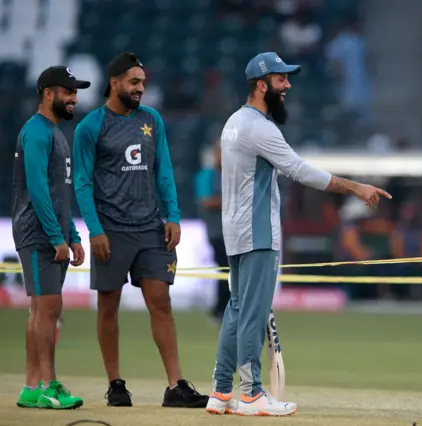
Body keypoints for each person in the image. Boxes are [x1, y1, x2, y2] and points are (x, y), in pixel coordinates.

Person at [205, 51, 391, 416]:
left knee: (237, 309)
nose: (288, 85)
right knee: (253, 314)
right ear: (262, 85)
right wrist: (356, 187)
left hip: (236, 229)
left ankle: (221, 390)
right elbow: (301, 171)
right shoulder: (260, 127)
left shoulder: (233, 123)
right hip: (258, 232)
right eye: (281, 79)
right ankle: (252, 394)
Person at [72, 52, 208, 408]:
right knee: (108, 307)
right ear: (114, 82)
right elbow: (82, 184)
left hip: (151, 229)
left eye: (143, 83)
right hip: (111, 231)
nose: (140, 89)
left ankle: (175, 386)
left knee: (161, 303)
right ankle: (115, 384)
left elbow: (163, 170)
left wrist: (174, 215)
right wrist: (95, 230)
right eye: (134, 82)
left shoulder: (152, 120)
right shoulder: (90, 127)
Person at [12, 66, 91, 409]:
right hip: (36, 232)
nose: (74, 98)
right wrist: (57, 236)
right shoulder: (37, 132)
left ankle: (32, 387)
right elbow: (38, 190)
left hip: (51, 232)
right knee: (48, 308)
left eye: (75, 92)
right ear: (48, 94)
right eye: (68, 92)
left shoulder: (56, 133)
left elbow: (61, 193)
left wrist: (72, 235)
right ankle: (48, 385)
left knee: (40, 310)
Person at [194, 139, 230, 323]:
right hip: (218, 232)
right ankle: (220, 310)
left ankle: (224, 309)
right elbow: (206, 200)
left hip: (236, 233)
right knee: (226, 269)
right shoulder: (206, 175)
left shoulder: (234, 175)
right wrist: (234, 201)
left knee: (232, 271)